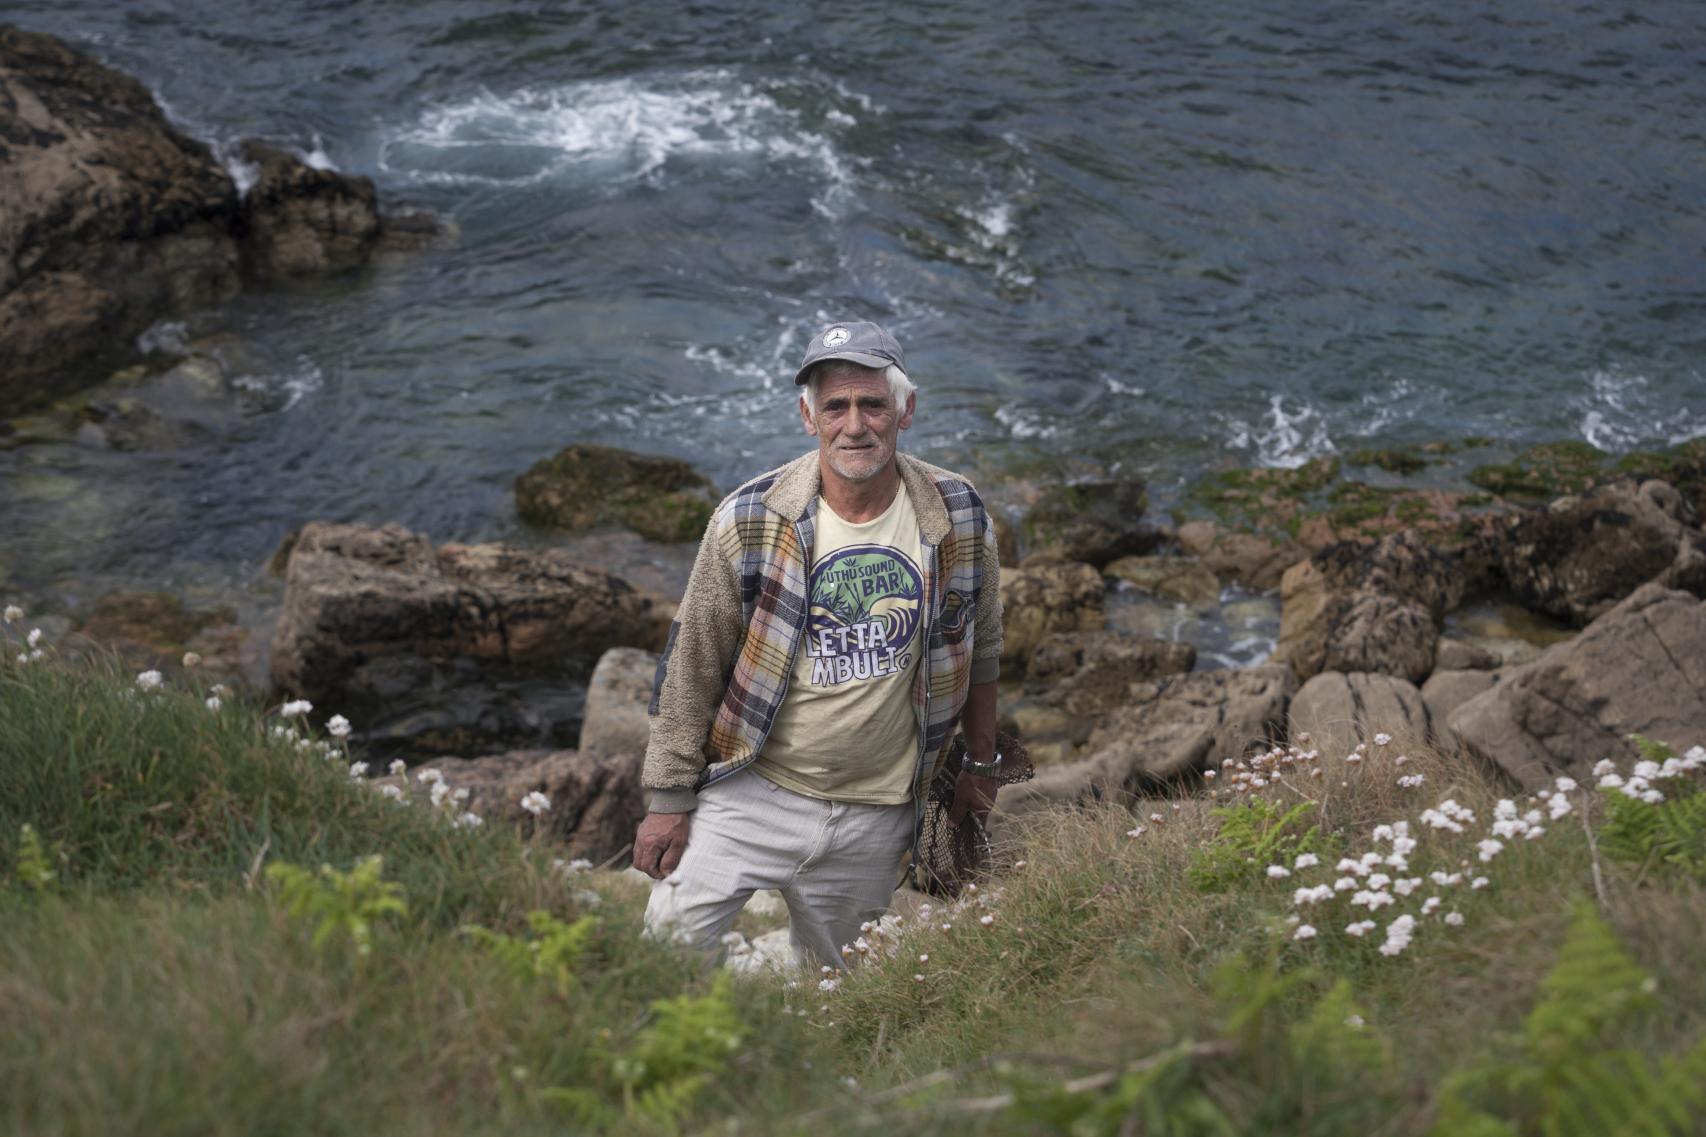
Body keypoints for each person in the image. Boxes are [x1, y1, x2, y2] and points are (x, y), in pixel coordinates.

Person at [633, 319, 1004, 968]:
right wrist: (668, 801)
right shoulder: (749, 520)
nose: (854, 425)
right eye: (836, 406)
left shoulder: (959, 514)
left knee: (831, 992)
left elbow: (986, 648)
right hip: (752, 789)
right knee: (662, 958)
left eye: (873, 404)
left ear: (905, 411)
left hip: (876, 810)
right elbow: (690, 667)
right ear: (809, 417)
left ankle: (799, 1070)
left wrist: (980, 763)